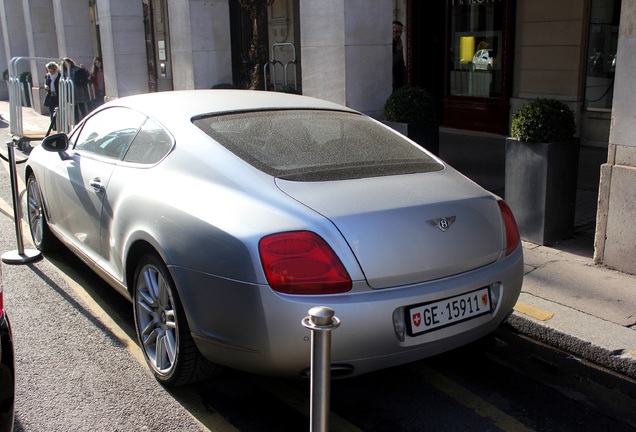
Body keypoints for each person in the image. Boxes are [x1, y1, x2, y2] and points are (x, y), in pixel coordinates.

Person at [62, 57, 90, 121]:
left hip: (79, 89)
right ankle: (76, 121)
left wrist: (84, 69)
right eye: (65, 64)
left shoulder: (77, 69)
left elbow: (85, 76)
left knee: (81, 106)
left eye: (67, 64)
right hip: (70, 91)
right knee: (74, 107)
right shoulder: (64, 72)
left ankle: (84, 120)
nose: (66, 65)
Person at [43, 62, 60, 136]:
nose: (51, 72)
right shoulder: (47, 76)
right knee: (51, 111)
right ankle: (53, 127)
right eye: (49, 70)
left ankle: (60, 126)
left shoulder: (60, 75)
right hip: (51, 95)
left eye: (52, 71)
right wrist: (46, 86)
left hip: (58, 95)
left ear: (55, 69)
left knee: (59, 111)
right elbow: (45, 83)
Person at [392, 20, 406, 91]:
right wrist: (398, 51)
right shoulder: (387, 45)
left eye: (400, 32)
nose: (398, 34)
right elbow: (390, 64)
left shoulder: (398, 43)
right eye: (396, 31)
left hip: (400, 84)